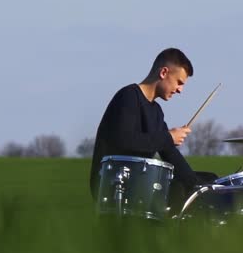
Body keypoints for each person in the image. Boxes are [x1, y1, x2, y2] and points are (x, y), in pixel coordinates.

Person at [88, 47, 205, 209]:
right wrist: (168, 138)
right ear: (164, 73)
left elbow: (168, 152)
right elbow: (124, 141)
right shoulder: (128, 97)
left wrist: (198, 186)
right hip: (116, 187)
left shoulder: (156, 112)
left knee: (205, 181)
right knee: (177, 190)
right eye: (179, 82)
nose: (180, 90)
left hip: (142, 185)